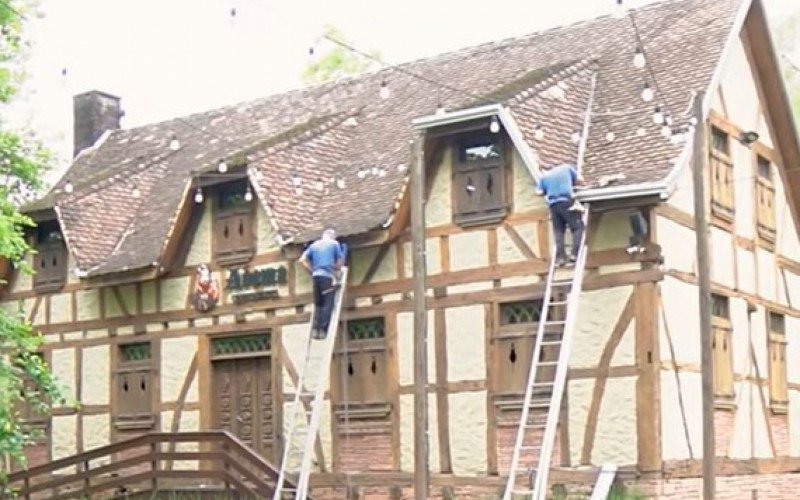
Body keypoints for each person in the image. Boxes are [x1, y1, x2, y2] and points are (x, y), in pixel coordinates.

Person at [536, 163, 585, 266]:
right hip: (566, 201)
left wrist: (548, 189)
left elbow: (539, 192)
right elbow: (580, 181)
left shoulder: (544, 176)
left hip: (553, 205)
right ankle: (574, 255)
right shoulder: (566, 168)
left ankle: (560, 258)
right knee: (577, 227)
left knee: (559, 231)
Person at [300, 228, 345, 339]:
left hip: (316, 277)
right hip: (326, 277)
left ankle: (315, 330)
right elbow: (340, 261)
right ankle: (323, 331)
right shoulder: (334, 244)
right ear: (333, 236)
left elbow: (302, 260)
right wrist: (336, 269)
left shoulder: (314, 245)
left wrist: (312, 271)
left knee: (318, 304)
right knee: (327, 304)